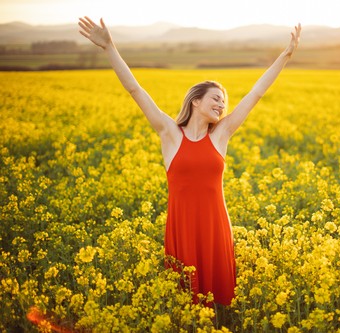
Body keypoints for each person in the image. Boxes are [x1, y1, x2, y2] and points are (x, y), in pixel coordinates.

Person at [78, 16, 301, 306]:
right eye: (216, 98)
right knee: (185, 301)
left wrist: (285, 56)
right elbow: (136, 90)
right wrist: (109, 46)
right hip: (182, 226)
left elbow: (256, 93)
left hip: (215, 225)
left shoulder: (221, 135)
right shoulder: (169, 133)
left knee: (217, 302)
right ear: (196, 101)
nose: (222, 105)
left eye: (224, 101)